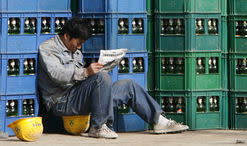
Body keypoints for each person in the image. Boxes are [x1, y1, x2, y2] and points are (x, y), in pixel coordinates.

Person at [38, 17, 188, 139]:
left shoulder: (75, 51)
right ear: (66, 36)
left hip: (79, 95)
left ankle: (159, 121)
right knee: (100, 78)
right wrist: (86, 73)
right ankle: (98, 127)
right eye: (78, 43)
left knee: (128, 85)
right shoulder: (47, 48)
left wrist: (100, 70)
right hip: (62, 101)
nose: (79, 47)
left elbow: (82, 79)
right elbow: (56, 74)